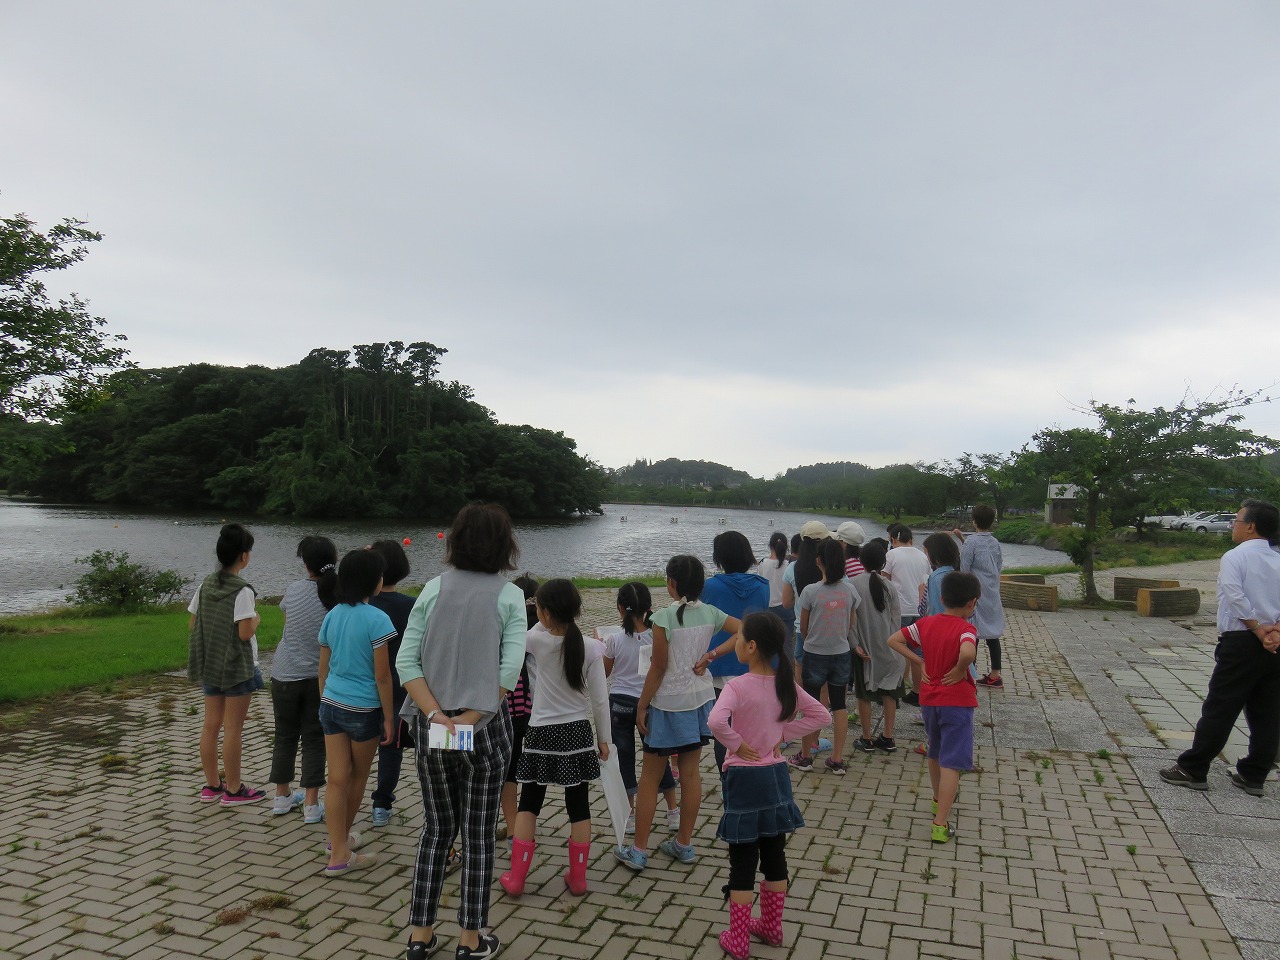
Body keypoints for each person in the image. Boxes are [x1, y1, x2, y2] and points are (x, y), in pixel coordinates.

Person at [398, 503, 527, 960]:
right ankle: (471, 940)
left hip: (435, 726)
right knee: (476, 833)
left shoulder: (432, 589)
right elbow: (507, 673)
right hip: (485, 730)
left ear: (455, 540)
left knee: (436, 830)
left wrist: (437, 718)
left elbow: (406, 662)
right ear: (503, 545)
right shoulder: (509, 596)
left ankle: (419, 933)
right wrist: (467, 722)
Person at [708, 612, 831, 960]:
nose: (735, 642)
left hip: (744, 778)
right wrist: (782, 736)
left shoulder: (736, 686)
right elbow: (821, 715)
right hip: (776, 778)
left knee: (743, 860)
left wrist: (735, 743)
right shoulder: (784, 683)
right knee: (775, 854)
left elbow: (716, 720)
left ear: (750, 646)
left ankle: (739, 938)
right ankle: (773, 928)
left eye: (739, 637)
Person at [615, 555, 742, 871]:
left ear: (672, 584)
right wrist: (711, 655)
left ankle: (639, 850)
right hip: (699, 702)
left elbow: (657, 668)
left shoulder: (664, 618)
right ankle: (684, 843)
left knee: (650, 777)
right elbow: (744, 630)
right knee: (690, 773)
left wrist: (642, 706)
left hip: (666, 705)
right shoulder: (710, 613)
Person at [1160, 499, 1280, 796]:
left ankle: (1193, 768)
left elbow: (1234, 595)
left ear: (1250, 526)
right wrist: (1275, 630)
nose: (1232, 526)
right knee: (1268, 711)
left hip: (1242, 641)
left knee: (1221, 706)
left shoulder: (1235, 556)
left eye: (1236, 521)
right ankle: (1254, 775)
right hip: (1275, 644)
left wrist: (1256, 627)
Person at [500, 579, 609, 897]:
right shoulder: (591, 648)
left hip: (540, 732)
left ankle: (517, 878)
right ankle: (578, 879)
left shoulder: (533, 639)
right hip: (578, 733)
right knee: (579, 805)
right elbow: (600, 701)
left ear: (544, 613)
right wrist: (604, 740)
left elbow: (509, 636)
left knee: (530, 803)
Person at [317, 549, 396, 876]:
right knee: (358, 776)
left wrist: (325, 699)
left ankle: (339, 842)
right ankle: (340, 854)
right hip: (363, 709)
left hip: (331, 705)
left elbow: (323, 666)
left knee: (335, 780)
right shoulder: (377, 619)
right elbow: (382, 675)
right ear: (375, 583)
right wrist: (389, 717)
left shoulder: (333, 614)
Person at [889, 571, 980, 844]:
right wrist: (960, 669)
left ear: (941, 598)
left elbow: (893, 640)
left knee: (934, 751)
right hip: (958, 702)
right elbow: (967, 652)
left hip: (929, 699)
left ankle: (937, 798)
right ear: (972, 603)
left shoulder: (926, 623)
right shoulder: (967, 628)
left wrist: (919, 663)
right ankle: (940, 823)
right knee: (953, 761)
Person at [188, 522, 266, 806]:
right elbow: (245, 632)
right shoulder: (243, 590)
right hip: (236, 667)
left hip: (210, 665)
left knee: (210, 725)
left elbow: (193, 622)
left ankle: (212, 785)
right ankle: (234, 790)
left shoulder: (205, 584)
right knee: (233, 728)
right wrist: (256, 619)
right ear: (244, 556)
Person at [600, 582, 679, 836]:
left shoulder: (613, 640)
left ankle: (630, 815)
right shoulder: (657, 635)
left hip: (620, 704)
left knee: (624, 758)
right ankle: (673, 810)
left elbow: (605, 673)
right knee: (658, 757)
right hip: (649, 703)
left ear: (620, 608)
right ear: (648, 607)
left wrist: (599, 648)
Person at [270, 536, 338, 822]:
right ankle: (311, 804)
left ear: (306, 564)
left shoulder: (294, 589)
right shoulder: (337, 596)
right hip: (317, 678)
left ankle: (281, 796)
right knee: (314, 738)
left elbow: (289, 627)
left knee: (285, 735)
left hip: (283, 674)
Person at [703, 531, 770, 772]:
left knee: (723, 726)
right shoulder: (763, 587)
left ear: (719, 557)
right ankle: (752, 768)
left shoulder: (709, 587)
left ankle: (727, 775)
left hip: (719, 665)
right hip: (754, 665)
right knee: (752, 724)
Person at [790, 538, 859, 774]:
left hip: (814, 653)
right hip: (841, 653)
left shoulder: (810, 591)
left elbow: (805, 627)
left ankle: (806, 756)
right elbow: (851, 624)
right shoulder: (850, 590)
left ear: (818, 561)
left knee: (810, 705)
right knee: (839, 704)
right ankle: (837, 759)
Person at [368, 539, 416, 828]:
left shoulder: (362, 605)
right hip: (402, 688)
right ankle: (381, 805)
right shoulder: (412, 606)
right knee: (391, 747)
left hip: (366, 688)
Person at [849, 541, 905, 754]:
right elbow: (896, 619)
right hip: (890, 651)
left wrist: (855, 645)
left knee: (864, 695)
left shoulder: (852, 584)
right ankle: (888, 737)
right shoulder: (889, 586)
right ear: (883, 562)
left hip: (865, 650)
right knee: (890, 694)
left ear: (860, 561)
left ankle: (866, 738)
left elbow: (850, 620)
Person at [500, 574, 540, 842]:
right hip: (539, 709)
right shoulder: (541, 630)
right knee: (534, 769)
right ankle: (529, 824)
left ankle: (514, 826)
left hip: (509, 707)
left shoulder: (508, 627)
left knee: (509, 769)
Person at [953, 505, 1006, 688]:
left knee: (971, 634)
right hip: (992, 591)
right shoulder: (995, 542)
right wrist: (962, 538)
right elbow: (998, 566)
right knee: (992, 634)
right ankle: (995, 674)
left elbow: (965, 569)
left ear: (974, 520)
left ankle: (970, 675)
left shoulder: (972, 543)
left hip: (975, 593)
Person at [883, 524, 931, 708]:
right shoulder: (922, 555)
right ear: (910, 538)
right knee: (917, 654)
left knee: (895, 650)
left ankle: (893, 689)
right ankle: (917, 692)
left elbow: (884, 579)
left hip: (899, 609)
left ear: (893, 539)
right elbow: (927, 579)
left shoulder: (892, 554)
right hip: (920, 610)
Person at [754, 531, 793, 641]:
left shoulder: (762, 563)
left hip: (768, 606)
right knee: (787, 641)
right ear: (786, 547)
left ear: (770, 546)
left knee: (768, 641)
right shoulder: (789, 565)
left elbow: (759, 585)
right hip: (786, 607)